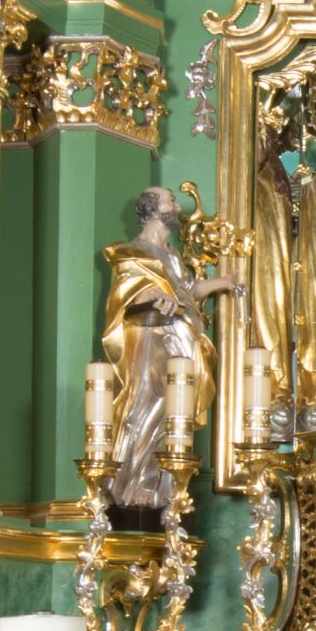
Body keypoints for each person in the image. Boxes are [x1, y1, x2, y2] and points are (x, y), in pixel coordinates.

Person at [97, 185, 237, 514]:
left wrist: (223, 283)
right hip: (149, 340)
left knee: (175, 410)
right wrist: (149, 296)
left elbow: (187, 291)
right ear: (153, 209)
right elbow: (125, 295)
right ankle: (135, 485)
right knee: (147, 404)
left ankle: (165, 487)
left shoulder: (172, 255)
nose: (176, 206)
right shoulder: (133, 252)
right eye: (170, 201)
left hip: (181, 340)